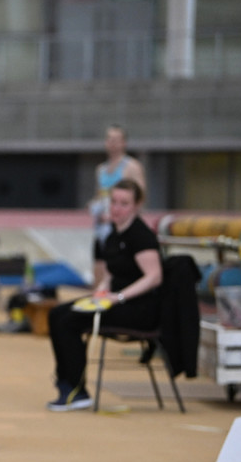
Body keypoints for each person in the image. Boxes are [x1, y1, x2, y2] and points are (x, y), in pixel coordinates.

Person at [47, 179, 162, 411]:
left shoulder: (140, 236)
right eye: (114, 202)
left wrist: (118, 297)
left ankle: (77, 390)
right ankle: (66, 384)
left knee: (69, 322)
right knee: (56, 314)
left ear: (137, 205)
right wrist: (100, 292)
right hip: (115, 302)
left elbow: (154, 276)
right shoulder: (112, 236)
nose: (116, 208)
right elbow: (111, 275)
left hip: (139, 309)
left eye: (124, 203)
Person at [91, 124, 146, 285]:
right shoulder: (101, 169)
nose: (112, 143)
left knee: (118, 272)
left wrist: (121, 218)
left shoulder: (132, 166)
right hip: (103, 229)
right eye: (109, 139)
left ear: (124, 143)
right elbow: (99, 196)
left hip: (121, 228)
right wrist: (94, 208)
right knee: (99, 271)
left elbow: (140, 198)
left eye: (116, 140)